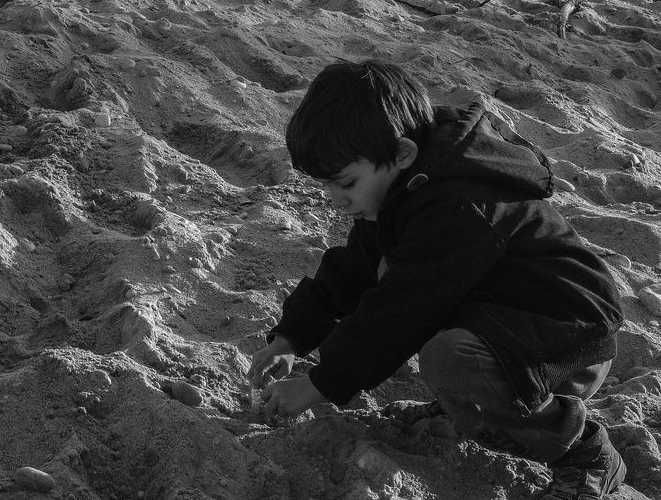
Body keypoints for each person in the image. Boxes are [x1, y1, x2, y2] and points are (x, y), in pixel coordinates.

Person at [251, 60, 625, 500]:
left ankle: (584, 452)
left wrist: (319, 385)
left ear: (403, 153)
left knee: (446, 356)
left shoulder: (455, 203)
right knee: (395, 278)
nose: (335, 200)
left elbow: (399, 312)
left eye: (345, 183)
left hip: (564, 335)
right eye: (326, 187)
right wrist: (290, 339)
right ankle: (465, 406)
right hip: (510, 322)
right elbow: (352, 271)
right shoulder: (404, 184)